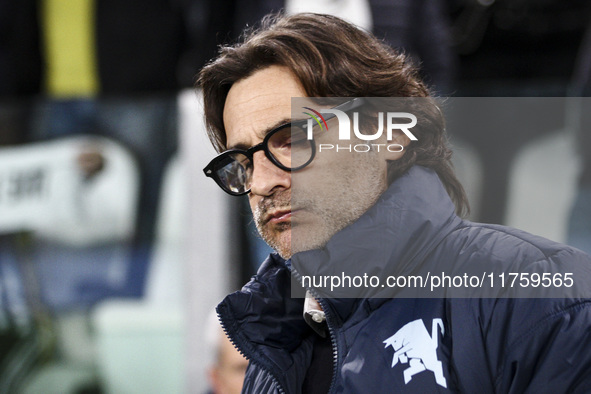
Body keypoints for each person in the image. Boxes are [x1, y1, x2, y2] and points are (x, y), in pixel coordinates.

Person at [198, 13, 591, 393]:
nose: (263, 183)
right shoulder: (269, 360)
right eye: (244, 162)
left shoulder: (540, 298)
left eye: (294, 138)